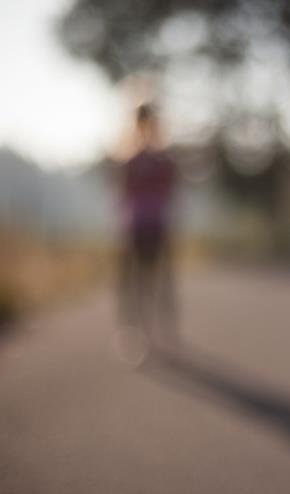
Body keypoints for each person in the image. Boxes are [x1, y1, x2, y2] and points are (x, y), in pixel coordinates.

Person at [116, 103, 178, 363]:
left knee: (158, 279)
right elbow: (123, 194)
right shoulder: (129, 160)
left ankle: (159, 328)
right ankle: (137, 331)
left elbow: (170, 191)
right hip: (135, 226)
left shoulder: (162, 160)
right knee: (135, 281)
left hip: (156, 225)